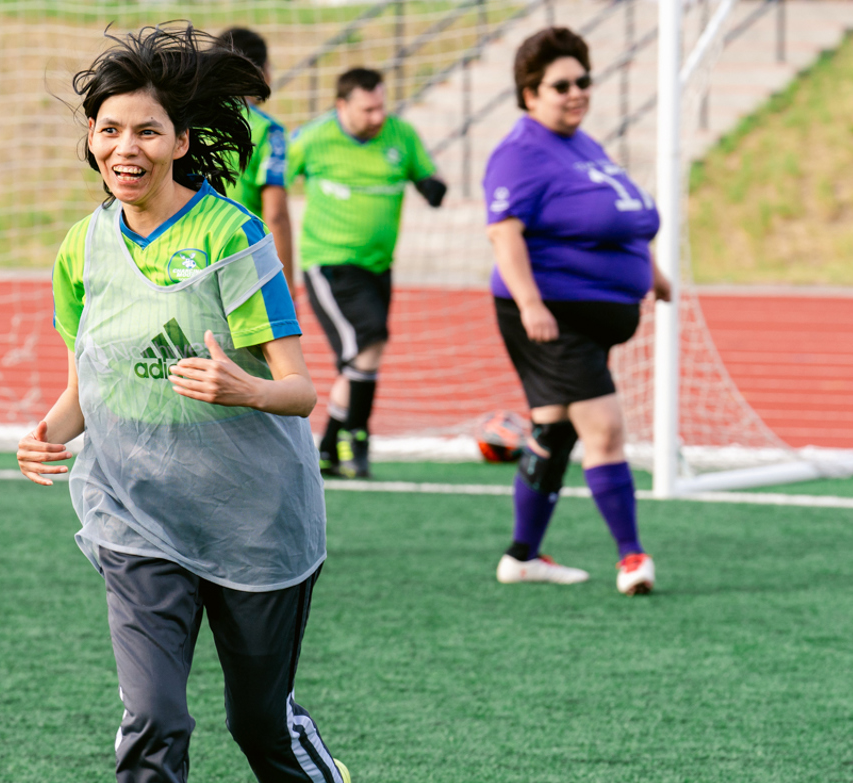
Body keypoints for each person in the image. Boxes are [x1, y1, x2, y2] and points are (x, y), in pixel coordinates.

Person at [16, 25, 355, 783]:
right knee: (152, 723)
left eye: (147, 132)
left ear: (178, 141)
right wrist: (49, 427)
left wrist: (241, 388)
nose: (126, 147)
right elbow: (91, 372)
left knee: (259, 725)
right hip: (134, 522)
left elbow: (301, 390)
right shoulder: (80, 247)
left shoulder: (229, 234)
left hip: (256, 524)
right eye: (109, 129)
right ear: (91, 140)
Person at [483, 26, 669, 596]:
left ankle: (522, 556)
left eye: (583, 81)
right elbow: (504, 233)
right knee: (605, 429)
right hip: (550, 315)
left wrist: (653, 274)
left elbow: (622, 219)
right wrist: (533, 304)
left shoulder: (586, 145)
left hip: (592, 313)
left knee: (555, 430)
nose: (576, 92)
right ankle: (631, 558)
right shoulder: (520, 152)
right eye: (561, 84)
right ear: (529, 93)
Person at [287, 67, 448, 478]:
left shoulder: (401, 135)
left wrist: (432, 186)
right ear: (342, 105)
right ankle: (356, 439)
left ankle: (329, 447)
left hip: (380, 266)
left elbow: (426, 173)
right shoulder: (313, 138)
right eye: (368, 109)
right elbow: (271, 179)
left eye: (382, 106)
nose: (378, 116)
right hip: (330, 263)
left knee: (360, 360)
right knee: (370, 341)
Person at [212, 27, 297, 294]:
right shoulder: (267, 130)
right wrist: (288, 286)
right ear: (259, 72)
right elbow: (276, 214)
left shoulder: (187, 120)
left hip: (187, 254)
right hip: (244, 262)